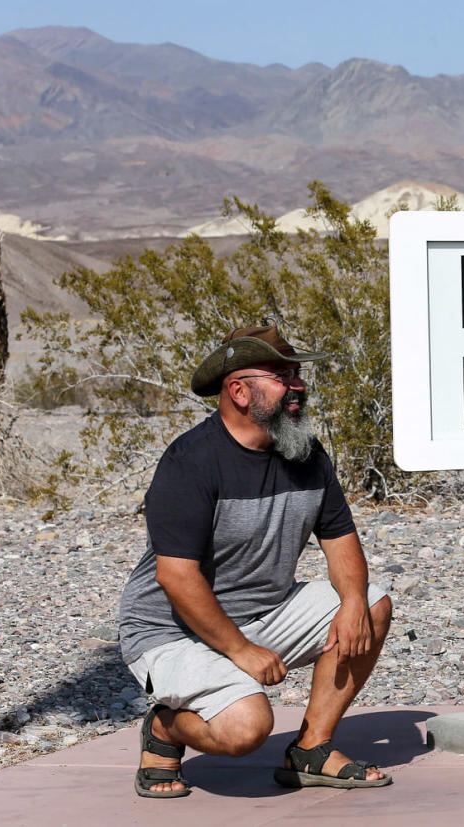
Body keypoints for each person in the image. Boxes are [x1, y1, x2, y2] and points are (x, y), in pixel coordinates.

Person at [118, 324, 394, 797]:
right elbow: (175, 576)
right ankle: (165, 729)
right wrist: (241, 651)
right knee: (246, 729)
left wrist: (351, 600)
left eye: (297, 374)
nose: (298, 386)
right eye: (282, 375)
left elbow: (341, 539)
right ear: (239, 391)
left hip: (263, 614)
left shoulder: (306, 453)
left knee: (370, 605)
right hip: (171, 631)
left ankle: (311, 748)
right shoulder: (191, 462)